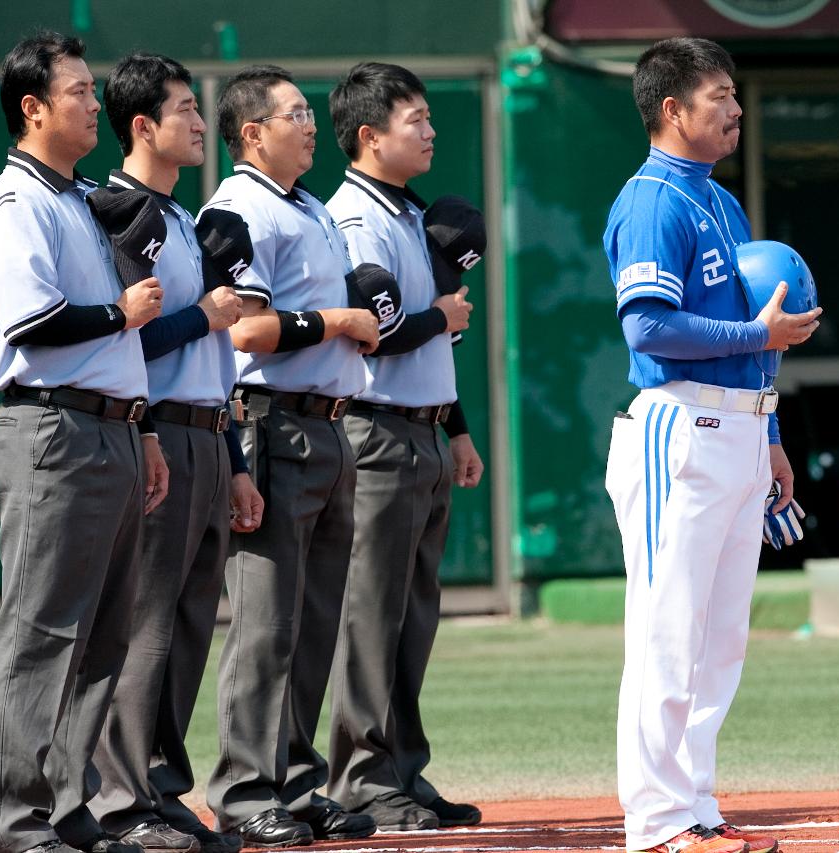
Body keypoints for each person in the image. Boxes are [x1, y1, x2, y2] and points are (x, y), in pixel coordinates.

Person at [602, 37, 821, 853]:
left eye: (734, 94)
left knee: (720, 634)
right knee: (667, 628)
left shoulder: (721, 204)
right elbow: (647, 324)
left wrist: (769, 431)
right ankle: (656, 823)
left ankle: (693, 803)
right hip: (678, 424)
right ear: (672, 108)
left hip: (737, 425)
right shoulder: (651, 198)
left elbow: (749, 342)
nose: (734, 108)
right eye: (720, 94)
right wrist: (753, 330)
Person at [0, 31, 169, 853]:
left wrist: (145, 430)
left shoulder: (79, 197)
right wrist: (125, 313)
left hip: (112, 428)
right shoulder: (15, 204)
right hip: (51, 425)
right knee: (42, 628)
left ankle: (65, 804)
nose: (96, 104)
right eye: (80, 91)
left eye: (93, 90)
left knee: (101, 634)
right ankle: (13, 818)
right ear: (33, 106)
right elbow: (36, 324)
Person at [85, 52, 264, 853]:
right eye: (186, 109)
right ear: (143, 125)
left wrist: (237, 462)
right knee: (144, 625)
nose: (200, 121)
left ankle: (159, 787)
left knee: (189, 623)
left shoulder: (186, 220)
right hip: (148, 429)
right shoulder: (119, 210)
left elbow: (213, 358)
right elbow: (133, 335)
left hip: (204, 432)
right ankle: (120, 799)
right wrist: (208, 314)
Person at [197, 64, 380, 848]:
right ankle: (243, 789)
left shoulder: (307, 205)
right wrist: (338, 320)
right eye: (295, 113)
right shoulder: (239, 206)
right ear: (252, 133)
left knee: (313, 620)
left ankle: (297, 781)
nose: (310, 124)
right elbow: (246, 332)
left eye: (310, 112)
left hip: (327, 425)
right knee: (266, 622)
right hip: (271, 423)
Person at [323, 60, 483, 832]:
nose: (429, 129)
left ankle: (401, 770)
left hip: (421, 428)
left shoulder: (411, 213)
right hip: (375, 430)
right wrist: (444, 317)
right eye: (413, 118)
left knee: (413, 614)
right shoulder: (353, 217)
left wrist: (456, 427)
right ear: (368, 135)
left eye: (427, 116)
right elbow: (378, 334)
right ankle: (359, 775)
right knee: (371, 612)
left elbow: (425, 336)